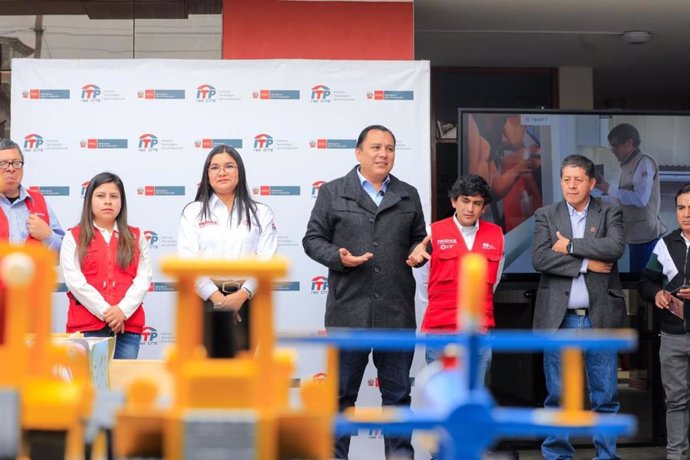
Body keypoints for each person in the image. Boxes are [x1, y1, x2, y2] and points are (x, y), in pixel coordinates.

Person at [303, 125, 427, 460]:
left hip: (396, 311)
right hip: (349, 312)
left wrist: (419, 251)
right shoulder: (333, 192)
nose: (383, 154)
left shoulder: (408, 193)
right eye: (375, 147)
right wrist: (337, 257)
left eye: (389, 148)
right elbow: (312, 239)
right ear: (358, 153)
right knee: (340, 397)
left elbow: (419, 236)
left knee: (398, 397)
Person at [532, 154, 627, 460]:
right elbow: (541, 259)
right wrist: (587, 262)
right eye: (566, 179)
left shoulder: (610, 211)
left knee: (606, 396)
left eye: (578, 180)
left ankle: (606, 456)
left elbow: (614, 248)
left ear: (592, 183)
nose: (571, 186)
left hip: (601, 319)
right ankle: (558, 455)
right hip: (560, 321)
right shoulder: (546, 215)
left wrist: (570, 246)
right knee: (558, 395)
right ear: (561, 181)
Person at [177, 144, 277, 356]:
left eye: (229, 166)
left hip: (248, 303)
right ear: (207, 175)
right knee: (204, 373)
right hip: (205, 302)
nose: (222, 172)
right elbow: (188, 262)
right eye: (214, 168)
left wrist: (242, 294)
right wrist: (218, 300)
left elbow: (266, 262)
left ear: (239, 171)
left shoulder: (261, 213)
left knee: (245, 371)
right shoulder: (193, 212)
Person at [416, 174, 505, 385]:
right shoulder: (432, 232)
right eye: (465, 200)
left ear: (484, 208)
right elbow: (423, 285)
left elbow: (494, 281)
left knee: (474, 394)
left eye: (477, 203)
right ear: (454, 201)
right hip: (441, 330)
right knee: (441, 395)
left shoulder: (497, 236)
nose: (470, 209)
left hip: (479, 333)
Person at [61, 172, 152, 359]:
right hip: (86, 327)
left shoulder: (136, 236)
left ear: (122, 202)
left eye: (114, 196)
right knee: (88, 386)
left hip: (127, 326)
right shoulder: (74, 236)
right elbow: (74, 281)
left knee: (121, 383)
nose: (108, 201)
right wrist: (108, 313)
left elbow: (143, 279)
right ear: (89, 201)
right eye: (101, 196)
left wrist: (122, 311)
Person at [639, 182, 690, 460]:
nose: (686, 214)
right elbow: (645, 282)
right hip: (671, 336)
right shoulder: (665, 244)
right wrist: (657, 293)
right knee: (676, 401)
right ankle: (675, 455)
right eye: (681, 208)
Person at [0, 138, 65, 343]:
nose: (10, 169)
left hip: (32, 306)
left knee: (28, 367)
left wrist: (47, 235)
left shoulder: (40, 202)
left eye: (16, 163)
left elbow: (63, 254)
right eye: (2, 163)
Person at [595, 123, 666, 272]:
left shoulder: (644, 162)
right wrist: (601, 198)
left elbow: (640, 200)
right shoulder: (628, 164)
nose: (613, 151)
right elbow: (623, 198)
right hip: (635, 234)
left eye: (615, 145)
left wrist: (608, 188)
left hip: (645, 237)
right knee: (637, 281)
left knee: (643, 282)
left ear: (629, 143)